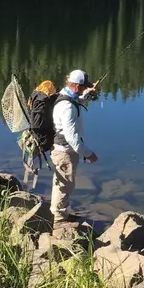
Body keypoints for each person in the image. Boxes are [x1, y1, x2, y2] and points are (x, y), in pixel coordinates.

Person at [50, 69, 98, 225]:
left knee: (64, 184)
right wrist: (87, 153)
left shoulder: (67, 97)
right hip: (64, 152)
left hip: (63, 150)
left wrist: (87, 95)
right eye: (84, 87)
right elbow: (71, 137)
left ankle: (60, 213)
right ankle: (58, 220)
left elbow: (77, 101)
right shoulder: (67, 107)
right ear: (76, 86)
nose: (85, 88)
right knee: (64, 185)